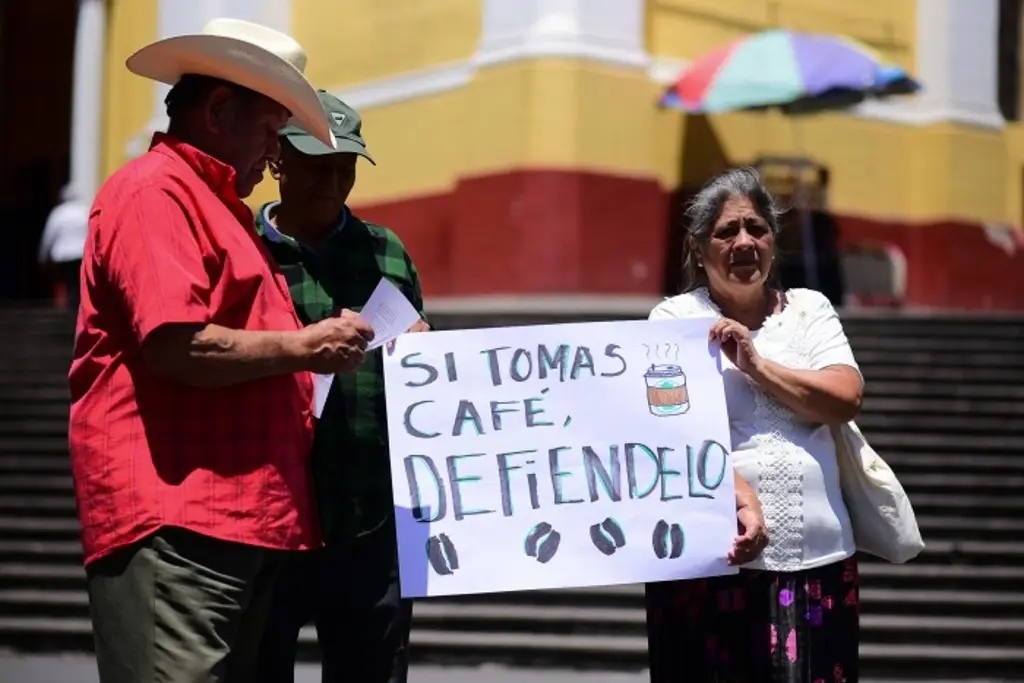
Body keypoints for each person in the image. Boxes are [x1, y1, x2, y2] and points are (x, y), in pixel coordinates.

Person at [69, 19, 373, 683]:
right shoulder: (158, 192)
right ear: (217, 111)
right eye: (270, 131)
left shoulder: (210, 203)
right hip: (182, 522)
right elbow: (179, 346)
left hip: (234, 522)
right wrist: (307, 344)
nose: (275, 155)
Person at [644, 167, 864, 683]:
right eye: (726, 232)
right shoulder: (673, 318)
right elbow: (672, 430)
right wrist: (739, 498)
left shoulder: (810, 310)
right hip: (715, 558)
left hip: (820, 559)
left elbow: (844, 398)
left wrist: (755, 364)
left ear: (772, 241)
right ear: (698, 249)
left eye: (756, 229)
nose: (744, 242)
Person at [253, 91, 427, 683]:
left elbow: (424, 368)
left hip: (371, 518)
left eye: (345, 166)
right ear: (277, 158)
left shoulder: (388, 251)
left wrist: (428, 351)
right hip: (269, 516)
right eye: (317, 164)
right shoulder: (242, 249)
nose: (333, 180)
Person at [38, 183, 89, 309]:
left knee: (63, 281)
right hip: (80, 253)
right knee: (79, 281)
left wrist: (42, 256)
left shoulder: (57, 214)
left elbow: (49, 236)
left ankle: (63, 306)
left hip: (62, 255)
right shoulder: (84, 211)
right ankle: (79, 305)